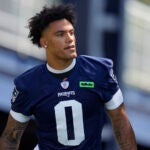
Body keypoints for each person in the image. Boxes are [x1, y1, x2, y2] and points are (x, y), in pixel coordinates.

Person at [0, 3, 137, 150]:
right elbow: (10, 138)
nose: (69, 39)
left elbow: (120, 119)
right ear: (44, 42)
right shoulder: (28, 84)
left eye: (71, 32)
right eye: (61, 34)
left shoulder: (99, 71)